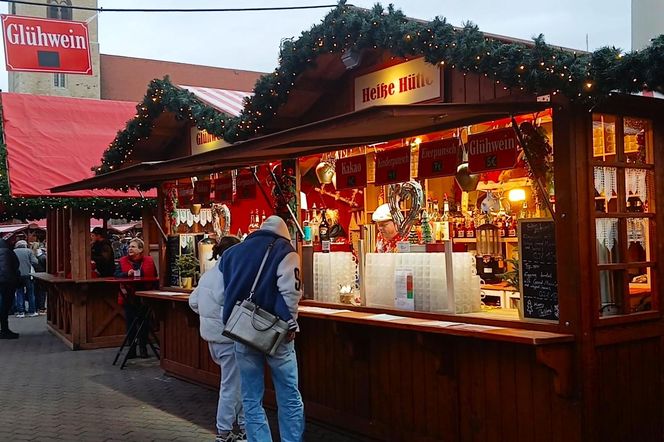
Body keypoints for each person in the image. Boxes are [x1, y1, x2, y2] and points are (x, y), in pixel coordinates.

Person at [221, 215, 304, 442]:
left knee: (251, 398)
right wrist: (291, 323)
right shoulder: (285, 251)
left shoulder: (232, 253)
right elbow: (291, 291)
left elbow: (223, 293)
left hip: (242, 331)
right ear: (285, 233)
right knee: (288, 395)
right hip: (276, 333)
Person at [189, 235, 246, 442]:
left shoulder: (209, 274)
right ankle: (223, 431)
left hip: (213, 339)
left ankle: (241, 427)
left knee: (235, 383)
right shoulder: (230, 275)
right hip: (229, 337)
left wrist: (208, 316)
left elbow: (193, 302)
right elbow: (232, 305)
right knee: (231, 385)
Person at [115, 238, 157, 358]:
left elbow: (154, 275)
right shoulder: (122, 261)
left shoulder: (148, 260)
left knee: (144, 323)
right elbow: (116, 275)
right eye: (129, 246)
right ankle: (131, 350)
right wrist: (126, 274)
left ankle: (143, 348)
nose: (130, 249)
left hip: (144, 296)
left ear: (140, 249)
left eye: (133, 247)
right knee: (130, 324)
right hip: (129, 297)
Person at [0, 238, 20, 338]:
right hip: (8, 281)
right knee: (5, 304)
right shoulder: (8, 251)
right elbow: (16, 264)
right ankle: (4, 329)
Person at [13, 240, 38, 318]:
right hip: (28, 275)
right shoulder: (28, 251)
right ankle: (32, 311)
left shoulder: (13, 252)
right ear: (25, 245)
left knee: (19, 293)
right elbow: (35, 262)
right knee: (31, 293)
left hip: (17, 276)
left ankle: (21, 312)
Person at [31, 242, 47, 314]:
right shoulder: (43, 256)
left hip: (34, 275)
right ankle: (42, 307)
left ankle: (36, 307)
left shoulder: (32, 255)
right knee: (42, 293)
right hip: (42, 276)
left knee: (35, 292)